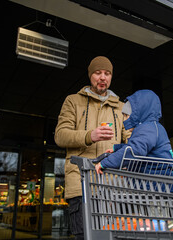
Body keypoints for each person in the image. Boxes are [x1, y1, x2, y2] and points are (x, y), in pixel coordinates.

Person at [55, 56, 130, 240]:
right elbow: (60, 135)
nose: (102, 77)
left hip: (114, 187)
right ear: (90, 76)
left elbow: (131, 141)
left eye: (107, 73)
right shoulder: (72, 101)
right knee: (85, 236)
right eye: (98, 73)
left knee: (115, 236)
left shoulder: (122, 108)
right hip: (81, 186)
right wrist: (90, 136)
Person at [95, 89, 173, 175]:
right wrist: (117, 148)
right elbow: (137, 146)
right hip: (155, 180)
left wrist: (105, 163)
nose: (124, 120)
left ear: (138, 114)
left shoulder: (148, 128)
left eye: (126, 115)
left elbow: (134, 151)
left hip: (154, 182)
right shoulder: (153, 128)